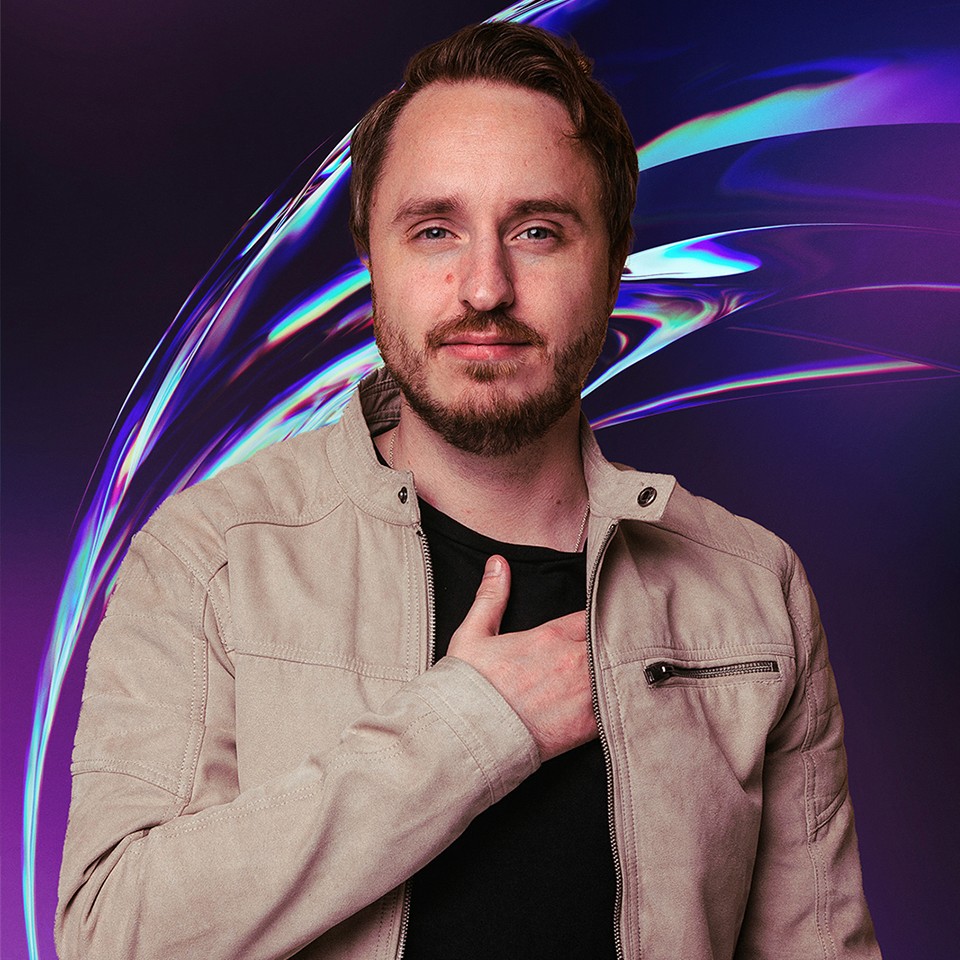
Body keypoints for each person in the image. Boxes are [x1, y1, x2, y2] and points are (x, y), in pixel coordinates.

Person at [57, 21, 881, 960]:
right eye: (435, 229)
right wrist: (469, 732)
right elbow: (110, 936)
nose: (484, 287)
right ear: (372, 265)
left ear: (613, 265)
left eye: (537, 231)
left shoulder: (750, 589)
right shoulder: (211, 556)